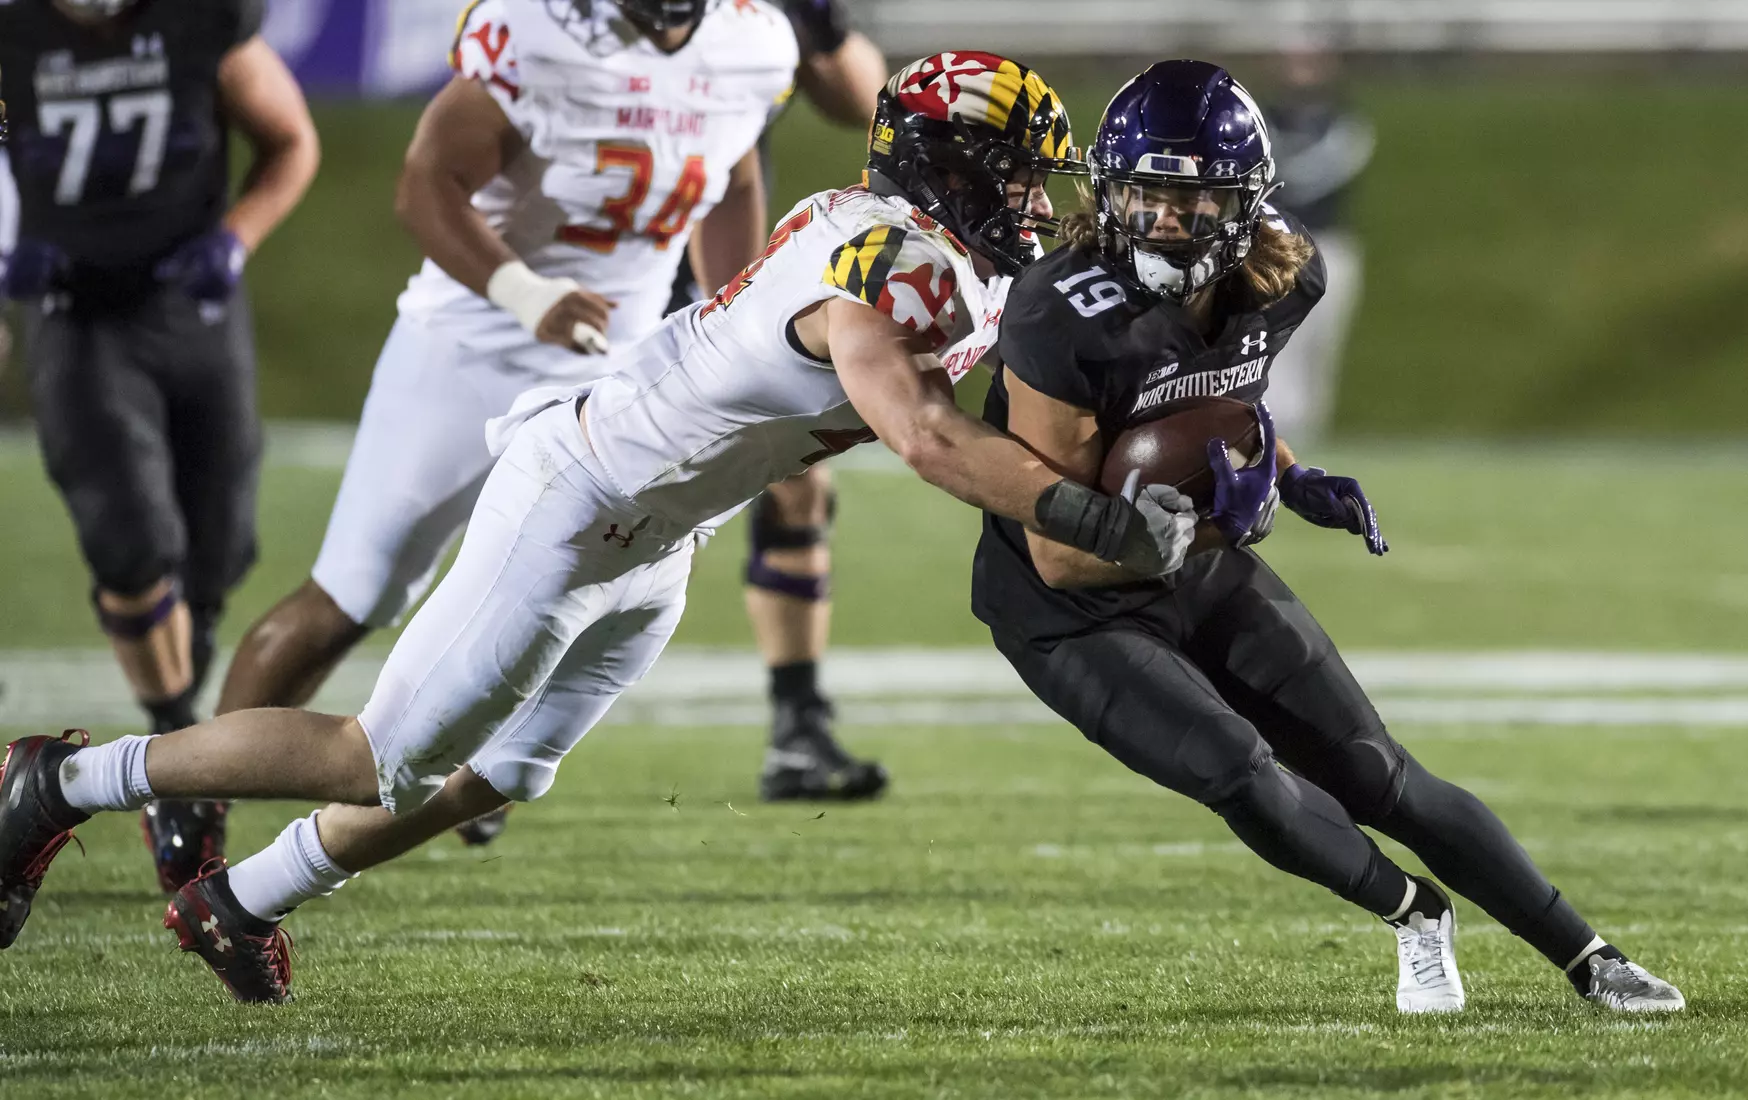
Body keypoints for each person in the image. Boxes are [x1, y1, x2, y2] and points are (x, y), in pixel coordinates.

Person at [0, 51, 1191, 1005]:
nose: (1039, 201)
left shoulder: (940, 254)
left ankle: (239, 899)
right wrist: (1085, 515)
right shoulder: (882, 258)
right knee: (373, 756)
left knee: (507, 767)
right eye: (1016, 173)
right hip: (584, 496)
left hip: (660, 527)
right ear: (949, 170)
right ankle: (57, 779)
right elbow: (928, 440)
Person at [971, 60, 1684, 1014]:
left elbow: (1217, 407)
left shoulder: (1280, 270)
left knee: (1378, 772)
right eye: (1146, 195)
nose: (1167, 222)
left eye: (1195, 200)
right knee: (1237, 770)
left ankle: (1592, 958)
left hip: (1203, 566)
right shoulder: (1061, 311)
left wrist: (1287, 469)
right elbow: (1060, 543)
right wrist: (1230, 512)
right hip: (1071, 606)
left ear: (1248, 202)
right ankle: (1413, 913)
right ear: (1108, 191)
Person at [208, 0, 796, 856]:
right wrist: (526, 292)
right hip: (473, 347)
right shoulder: (537, 29)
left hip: (619, 368)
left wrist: (727, 317)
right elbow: (425, 183)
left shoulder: (753, 42)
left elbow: (733, 178)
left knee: (586, 593)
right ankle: (191, 804)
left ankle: (435, 794)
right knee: (356, 593)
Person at [0, 0, 319, 892]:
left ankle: (174, 735)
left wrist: (232, 239)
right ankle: (174, 755)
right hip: (73, 315)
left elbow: (290, 140)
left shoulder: (197, 18)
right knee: (130, 538)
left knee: (220, 543)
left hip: (191, 304)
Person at [1258, 46, 1373, 446]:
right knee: (1276, 341)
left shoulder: (1345, 124)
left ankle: (1311, 434)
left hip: (1329, 243)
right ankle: (1274, 433)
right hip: (1277, 242)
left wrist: (1281, 174)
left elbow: (1312, 176)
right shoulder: (1261, 122)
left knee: (1322, 344)